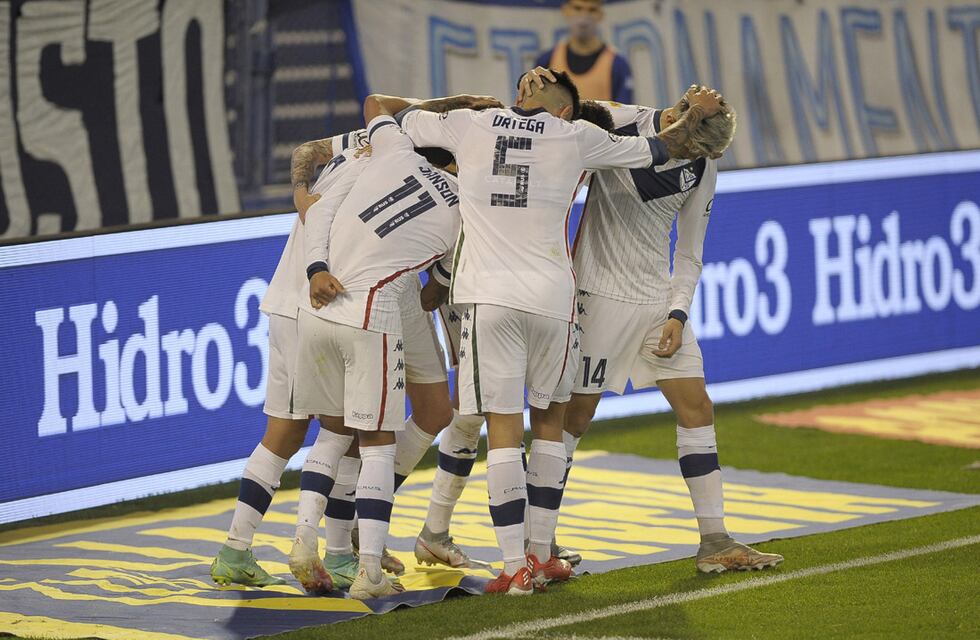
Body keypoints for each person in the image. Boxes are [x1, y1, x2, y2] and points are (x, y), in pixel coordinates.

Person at [399, 70, 721, 595]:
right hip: (553, 295)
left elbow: (390, 116)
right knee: (523, 419)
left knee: (492, 418)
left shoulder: (476, 123)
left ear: (555, 101)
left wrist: (454, 102)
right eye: (528, 78)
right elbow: (663, 149)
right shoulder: (577, 137)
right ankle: (491, 541)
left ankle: (513, 560)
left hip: (491, 292)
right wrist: (695, 117)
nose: (529, 80)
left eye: (538, 79)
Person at [519, 68, 784, 574]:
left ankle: (715, 539)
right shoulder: (616, 120)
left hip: (655, 303)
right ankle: (538, 545)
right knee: (571, 419)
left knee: (697, 406)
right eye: (691, 151)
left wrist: (679, 312)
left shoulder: (703, 166)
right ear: (678, 126)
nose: (694, 162)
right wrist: (536, 83)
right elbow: (556, 113)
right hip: (596, 297)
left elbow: (690, 251)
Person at [288, 92, 503, 600]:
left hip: (317, 298)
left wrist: (317, 268)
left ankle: (303, 542)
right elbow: (440, 288)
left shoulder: (393, 150)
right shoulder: (468, 208)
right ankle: (367, 570)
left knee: (334, 431)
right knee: (376, 442)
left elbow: (372, 103)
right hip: (374, 309)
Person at [534, 0, 632, 103]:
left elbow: (624, 113)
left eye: (592, 10)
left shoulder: (618, 64)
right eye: (578, 8)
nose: (584, 17)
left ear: (600, 15)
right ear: (565, 10)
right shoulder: (546, 61)